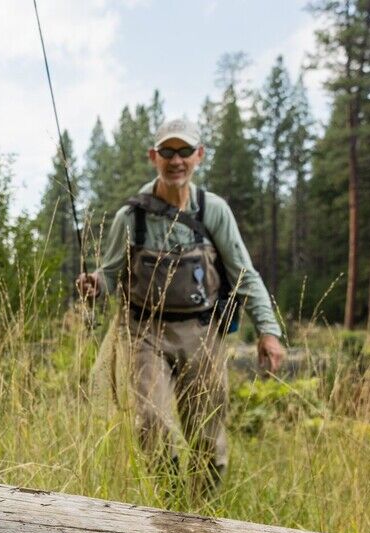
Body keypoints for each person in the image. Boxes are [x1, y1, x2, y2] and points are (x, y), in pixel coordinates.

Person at [76, 118, 285, 493]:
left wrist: (268, 332)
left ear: (199, 156)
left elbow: (244, 274)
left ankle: (200, 515)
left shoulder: (213, 210)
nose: (176, 161)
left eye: (185, 151)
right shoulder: (130, 217)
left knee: (207, 439)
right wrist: (94, 284)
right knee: (151, 422)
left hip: (203, 335)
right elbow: (109, 275)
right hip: (144, 333)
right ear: (153, 157)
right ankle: (170, 506)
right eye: (168, 152)